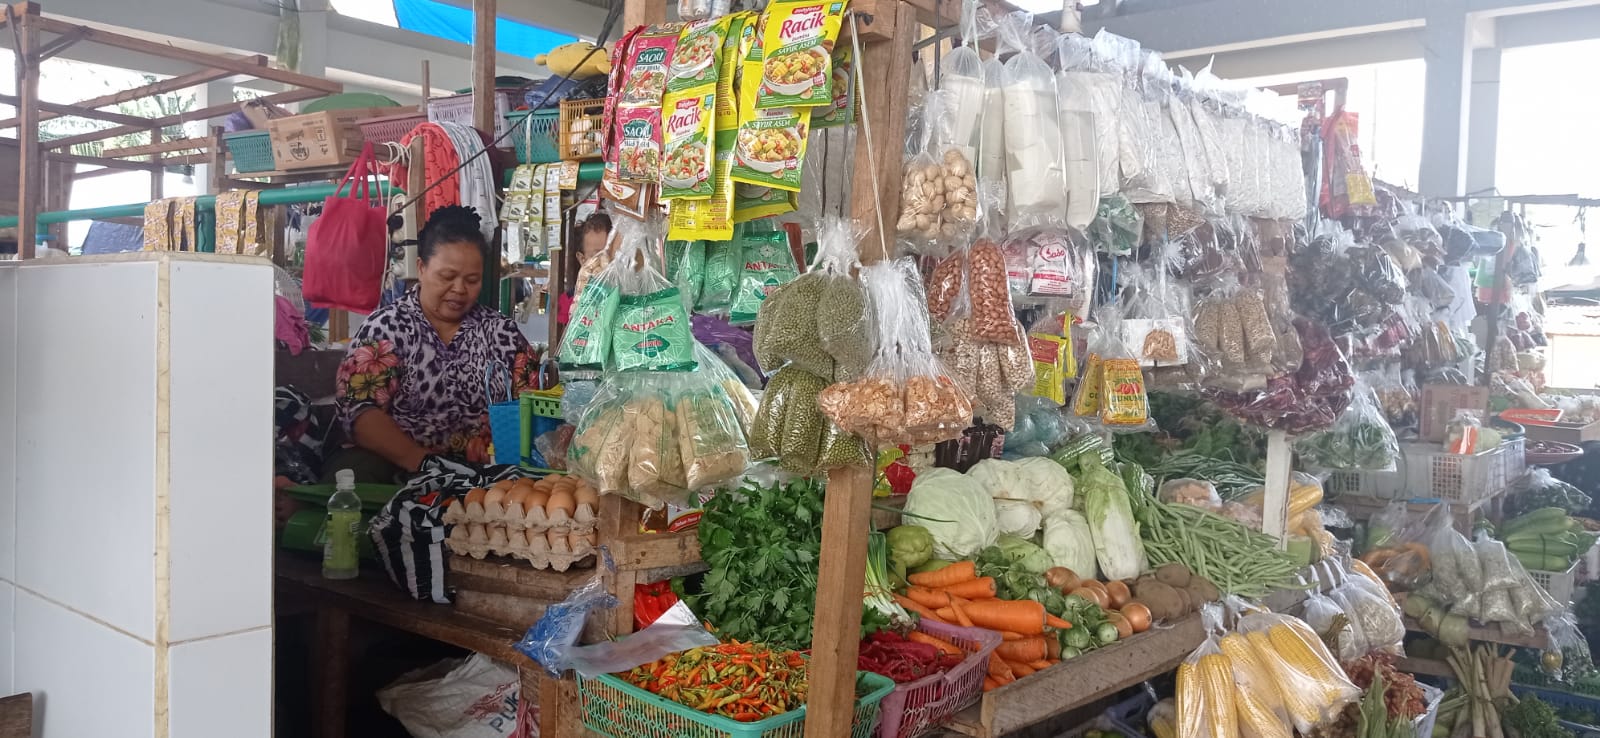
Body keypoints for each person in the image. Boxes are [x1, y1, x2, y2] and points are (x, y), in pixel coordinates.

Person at [329, 205, 539, 481]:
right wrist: (424, 463)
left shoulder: (502, 333)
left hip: (487, 474)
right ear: (421, 268)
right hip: (399, 468)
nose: (459, 289)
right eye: (447, 276)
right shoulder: (386, 328)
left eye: (472, 280)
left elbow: (533, 404)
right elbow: (359, 411)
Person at [558, 212, 615, 325]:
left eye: (612, 255)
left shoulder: (632, 295)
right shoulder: (568, 303)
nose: (606, 262)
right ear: (582, 259)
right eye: (597, 255)